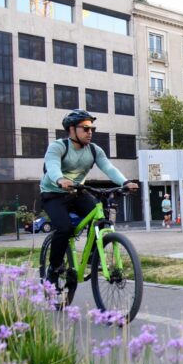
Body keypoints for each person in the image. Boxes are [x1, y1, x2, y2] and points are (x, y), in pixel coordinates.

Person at [40, 109, 139, 283]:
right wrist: (60, 179)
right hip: (53, 194)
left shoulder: (94, 150)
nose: (90, 132)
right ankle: (54, 267)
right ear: (72, 129)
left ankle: (94, 256)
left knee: (102, 218)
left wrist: (125, 182)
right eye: (85, 128)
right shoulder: (58, 146)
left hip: (77, 193)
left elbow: (108, 168)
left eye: (92, 128)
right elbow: (52, 165)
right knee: (64, 228)